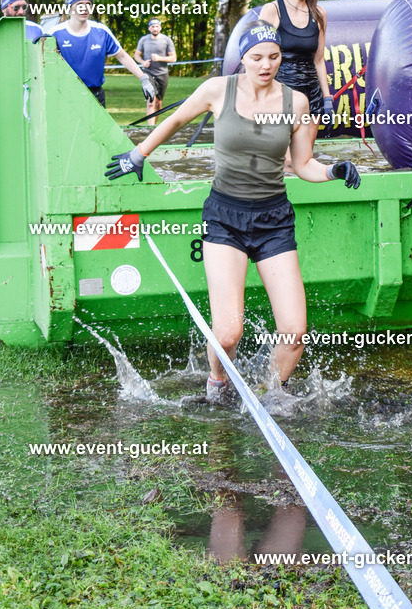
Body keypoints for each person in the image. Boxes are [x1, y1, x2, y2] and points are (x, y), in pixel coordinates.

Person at [105, 21, 361, 403]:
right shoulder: (217, 90)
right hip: (225, 217)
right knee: (227, 334)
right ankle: (218, 385)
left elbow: (302, 163)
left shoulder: (297, 103)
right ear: (243, 58)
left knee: (293, 333)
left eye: (273, 57)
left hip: (274, 220)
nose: (265, 65)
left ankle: (268, 395)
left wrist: (332, 171)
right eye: (257, 57)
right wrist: (137, 154)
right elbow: (174, 120)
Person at [260, 0, 333, 140]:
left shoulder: (319, 14)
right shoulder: (272, 10)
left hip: (312, 95)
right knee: (286, 160)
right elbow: (258, 56)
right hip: (282, 92)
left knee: (305, 158)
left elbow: (318, 60)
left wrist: (327, 98)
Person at [51, 0, 156, 108]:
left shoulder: (101, 31)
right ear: (70, 7)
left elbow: (122, 56)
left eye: (88, 4)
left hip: (96, 95)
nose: (84, 8)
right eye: (79, 4)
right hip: (66, 95)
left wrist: (143, 78)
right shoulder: (55, 33)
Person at [134, 18, 177, 125]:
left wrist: (159, 58)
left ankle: (154, 127)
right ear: (149, 28)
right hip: (148, 73)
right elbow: (136, 55)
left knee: (158, 104)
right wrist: (143, 62)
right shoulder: (143, 40)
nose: (155, 28)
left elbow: (173, 58)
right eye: (152, 26)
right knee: (150, 101)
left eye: (157, 26)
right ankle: (150, 128)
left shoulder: (167, 40)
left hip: (162, 74)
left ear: (160, 27)